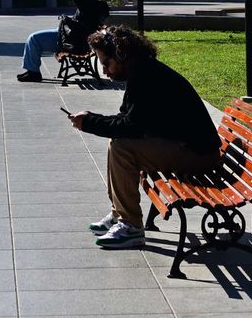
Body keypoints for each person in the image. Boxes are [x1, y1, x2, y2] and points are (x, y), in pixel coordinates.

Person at [66, 25, 221, 250]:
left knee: (122, 147)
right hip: (186, 147)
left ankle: (131, 227)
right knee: (117, 143)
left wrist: (89, 122)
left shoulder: (148, 78)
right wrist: (91, 119)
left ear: (120, 55)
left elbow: (131, 126)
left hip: (199, 155)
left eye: (105, 63)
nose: (104, 71)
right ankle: (120, 214)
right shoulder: (141, 72)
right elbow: (126, 119)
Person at [17, 0, 109, 82]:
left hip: (72, 40)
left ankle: (33, 73)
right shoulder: (95, 5)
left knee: (34, 38)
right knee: (34, 37)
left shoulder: (92, 5)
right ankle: (31, 70)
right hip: (73, 36)